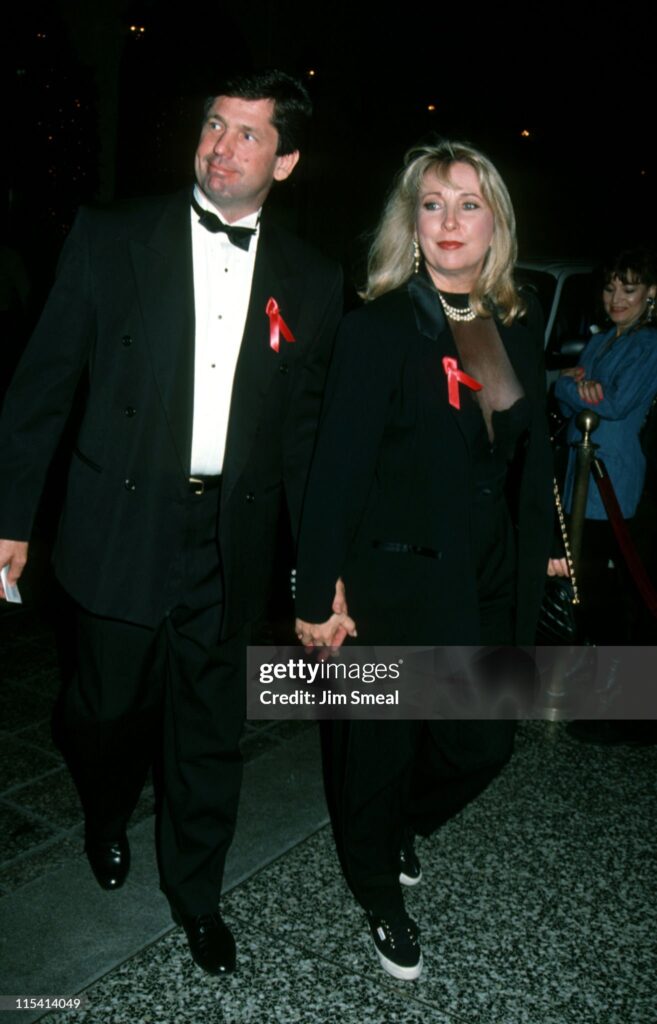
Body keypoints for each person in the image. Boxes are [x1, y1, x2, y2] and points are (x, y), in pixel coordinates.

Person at [0, 70, 342, 975]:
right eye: (214, 126)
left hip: (230, 540)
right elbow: (41, 387)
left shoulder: (312, 280)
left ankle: (197, 895)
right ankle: (106, 807)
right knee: (103, 713)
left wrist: (321, 572)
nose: (221, 147)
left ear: (287, 159)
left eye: (246, 135)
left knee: (208, 731)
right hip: (117, 519)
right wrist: (9, 515)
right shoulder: (111, 236)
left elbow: (307, 443)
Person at [294, 141, 553, 980]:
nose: (449, 221)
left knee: (483, 745)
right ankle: (377, 890)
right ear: (410, 223)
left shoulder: (508, 331)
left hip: (483, 582)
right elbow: (333, 471)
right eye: (432, 204)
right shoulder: (377, 330)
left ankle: (400, 824)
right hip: (390, 582)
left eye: (467, 204)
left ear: (495, 227)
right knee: (376, 752)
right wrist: (315, 587)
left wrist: (542, 560)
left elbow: (522, 467)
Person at [555, 248, 657, 741]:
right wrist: (572, 385)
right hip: (585, 480)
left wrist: (573, 388)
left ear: (651, 293)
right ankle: (610, 700)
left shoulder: (648, 345)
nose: (617, 298)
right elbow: (565, 385)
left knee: (616, 598)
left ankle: (633, 713)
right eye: (611, 287)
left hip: (613, 483)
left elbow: (611, 402)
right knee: (593, 592)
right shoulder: (605, 340)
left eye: (630, 289)